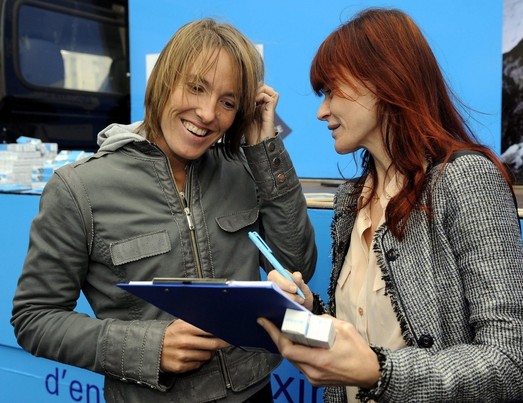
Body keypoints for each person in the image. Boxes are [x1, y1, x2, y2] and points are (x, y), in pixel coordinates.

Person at [258, 8, 523, 402]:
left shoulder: (464, 179)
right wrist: (311, 309)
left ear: (384, 81)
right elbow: (364, 333)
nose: (321, 111)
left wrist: (381, 371)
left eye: (331, 91)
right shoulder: (353, 199)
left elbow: (514, 362)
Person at [11, 18, 317, 402]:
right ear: (163, 80)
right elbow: (34, 318)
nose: (207, 114)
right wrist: (147, 347)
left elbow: (297, 260)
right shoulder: (79, 188)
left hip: (255, 393)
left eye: (228, 102)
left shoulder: (243, 169)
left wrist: (264, 148)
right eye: (196, 87)